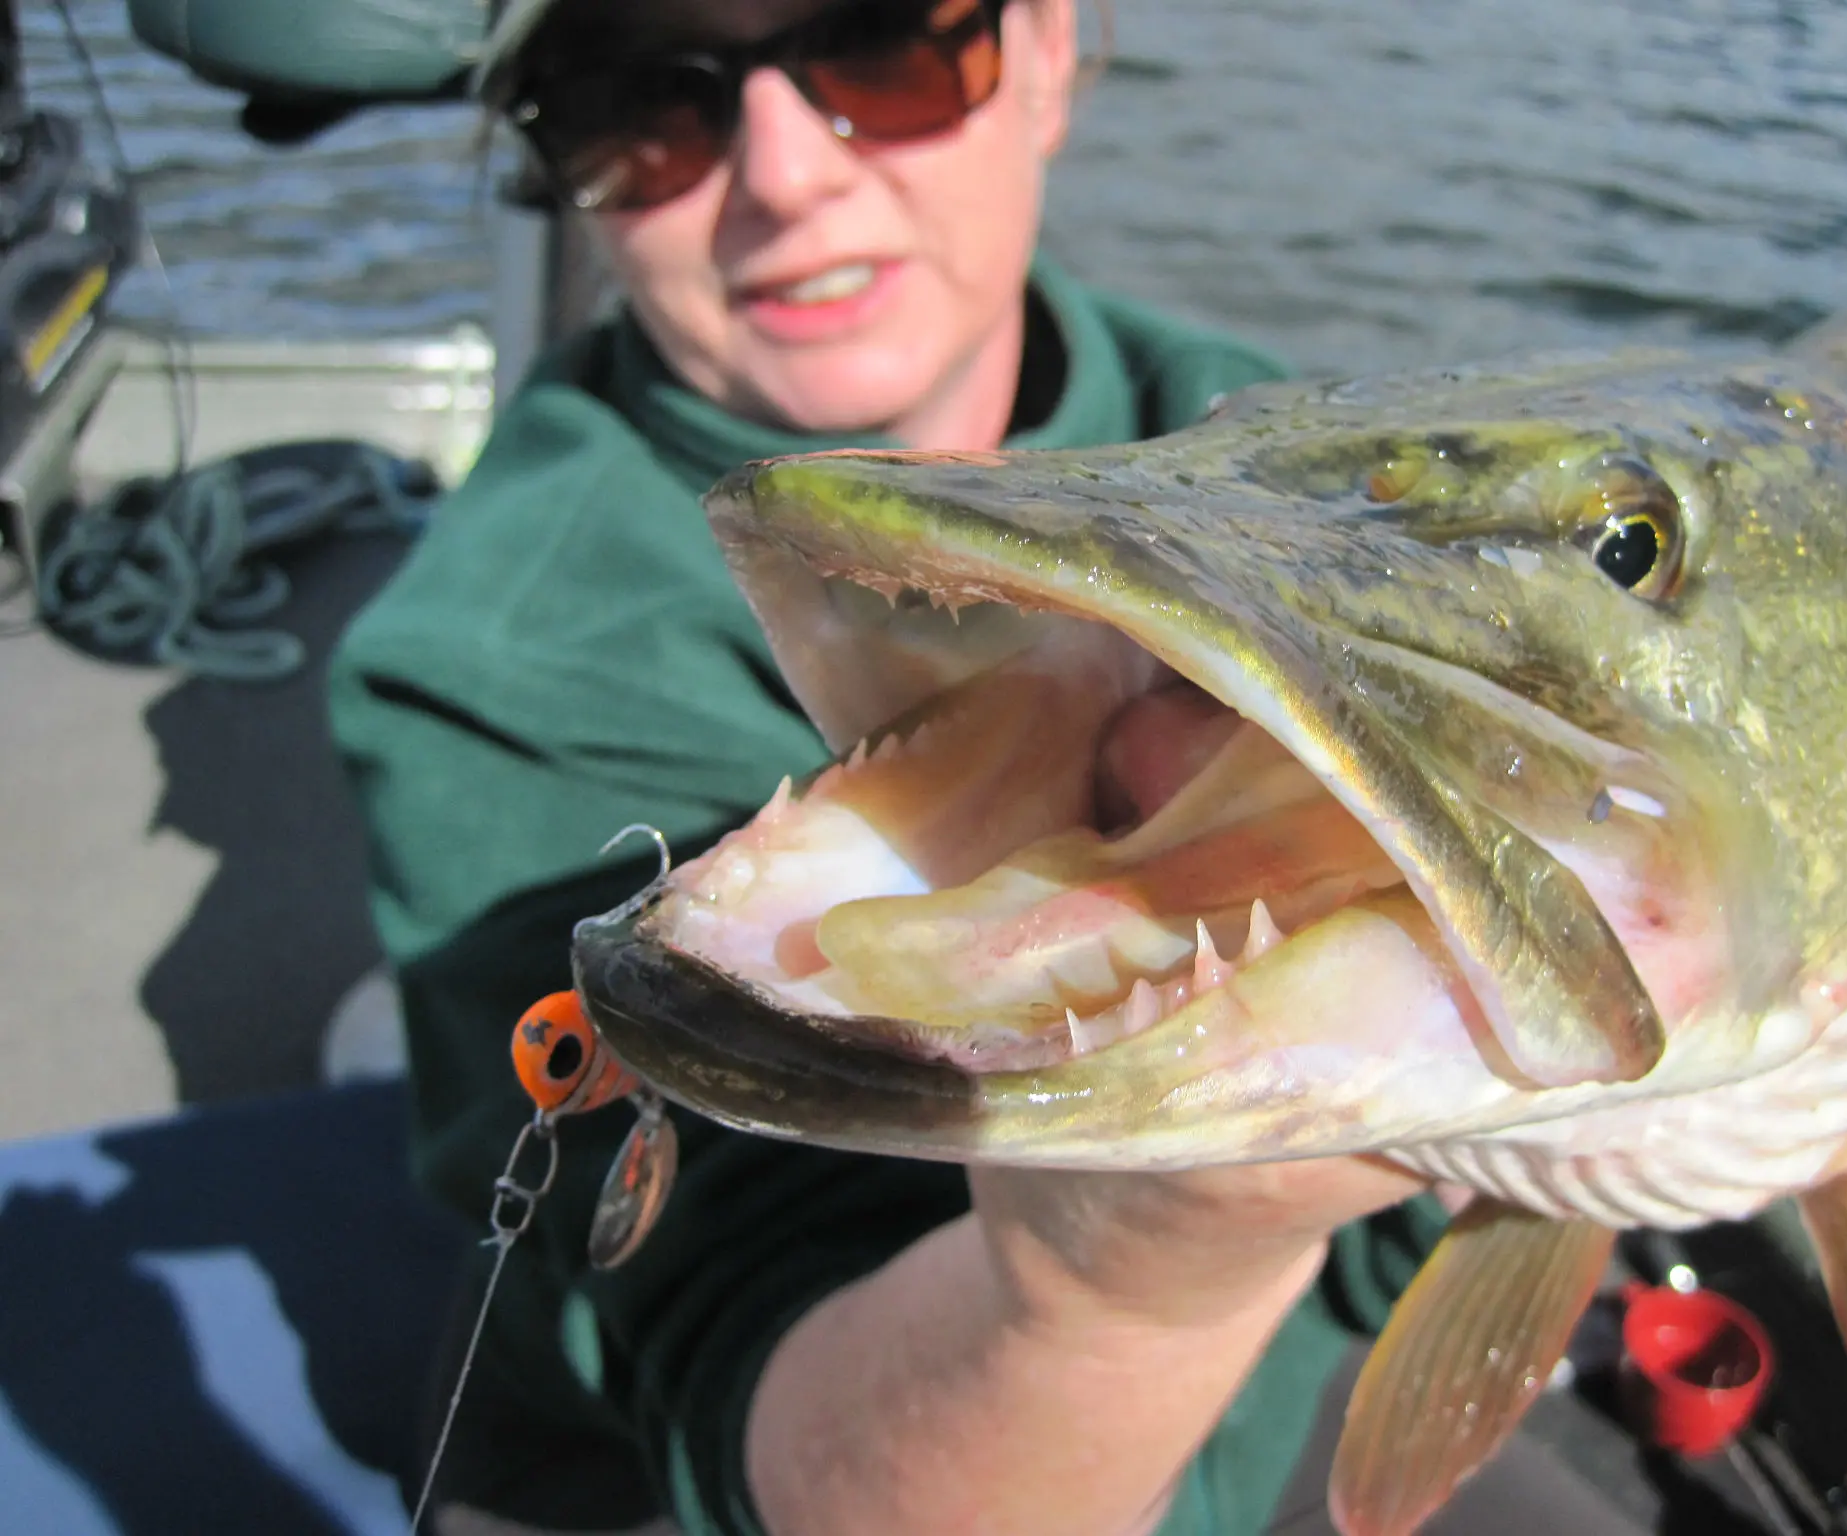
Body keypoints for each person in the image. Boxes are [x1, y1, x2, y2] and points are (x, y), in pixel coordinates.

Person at [325, 1, 1511, 1531]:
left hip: (1290, 1411)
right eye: (639, 100)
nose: (784, 176)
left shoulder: (1266, 436)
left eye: (882, 41)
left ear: (1043, 53)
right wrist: (1112, 1274)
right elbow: (755, 1366)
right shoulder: (495, 666)